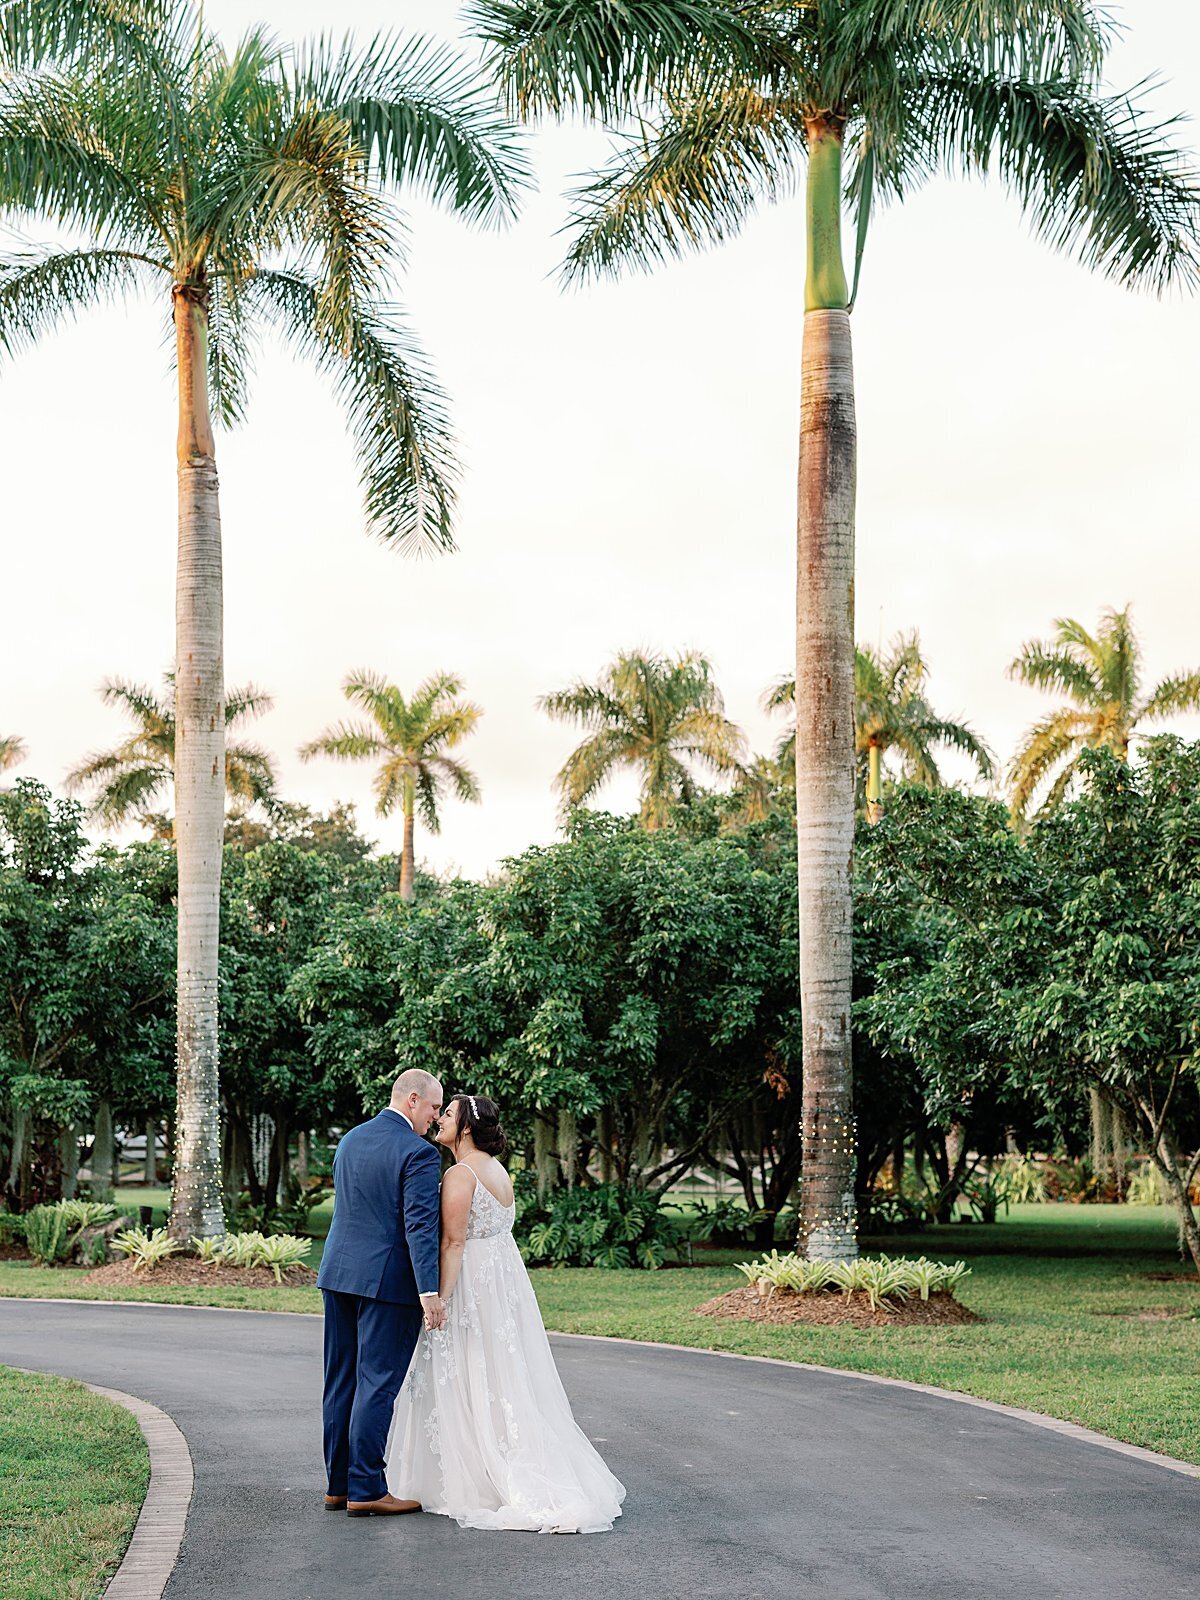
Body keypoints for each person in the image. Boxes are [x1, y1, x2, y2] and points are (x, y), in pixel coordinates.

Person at [386, 1093, 626, 1533]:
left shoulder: (461, 1174)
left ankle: (477, 1475)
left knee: (467, 1369)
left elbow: (453, 1242)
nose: (439, 1119)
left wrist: (438, 1298)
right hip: (499, 1284)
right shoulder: (498, 1172)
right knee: (496, 1373)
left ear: (466, 1129)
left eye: (449, 1115)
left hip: (470, 1286)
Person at [317, 1068, 445, 1517]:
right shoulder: (419, 1153)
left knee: (341, 1380)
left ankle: (338, 1486)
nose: (435, 1117)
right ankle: (367, 1488)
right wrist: (428, 1291)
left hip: (338, 1274)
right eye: (432, 1108)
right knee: (377, 1384)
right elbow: (420, 1228)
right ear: (412, 1099)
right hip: (388, 1283)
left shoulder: (350, 1138)